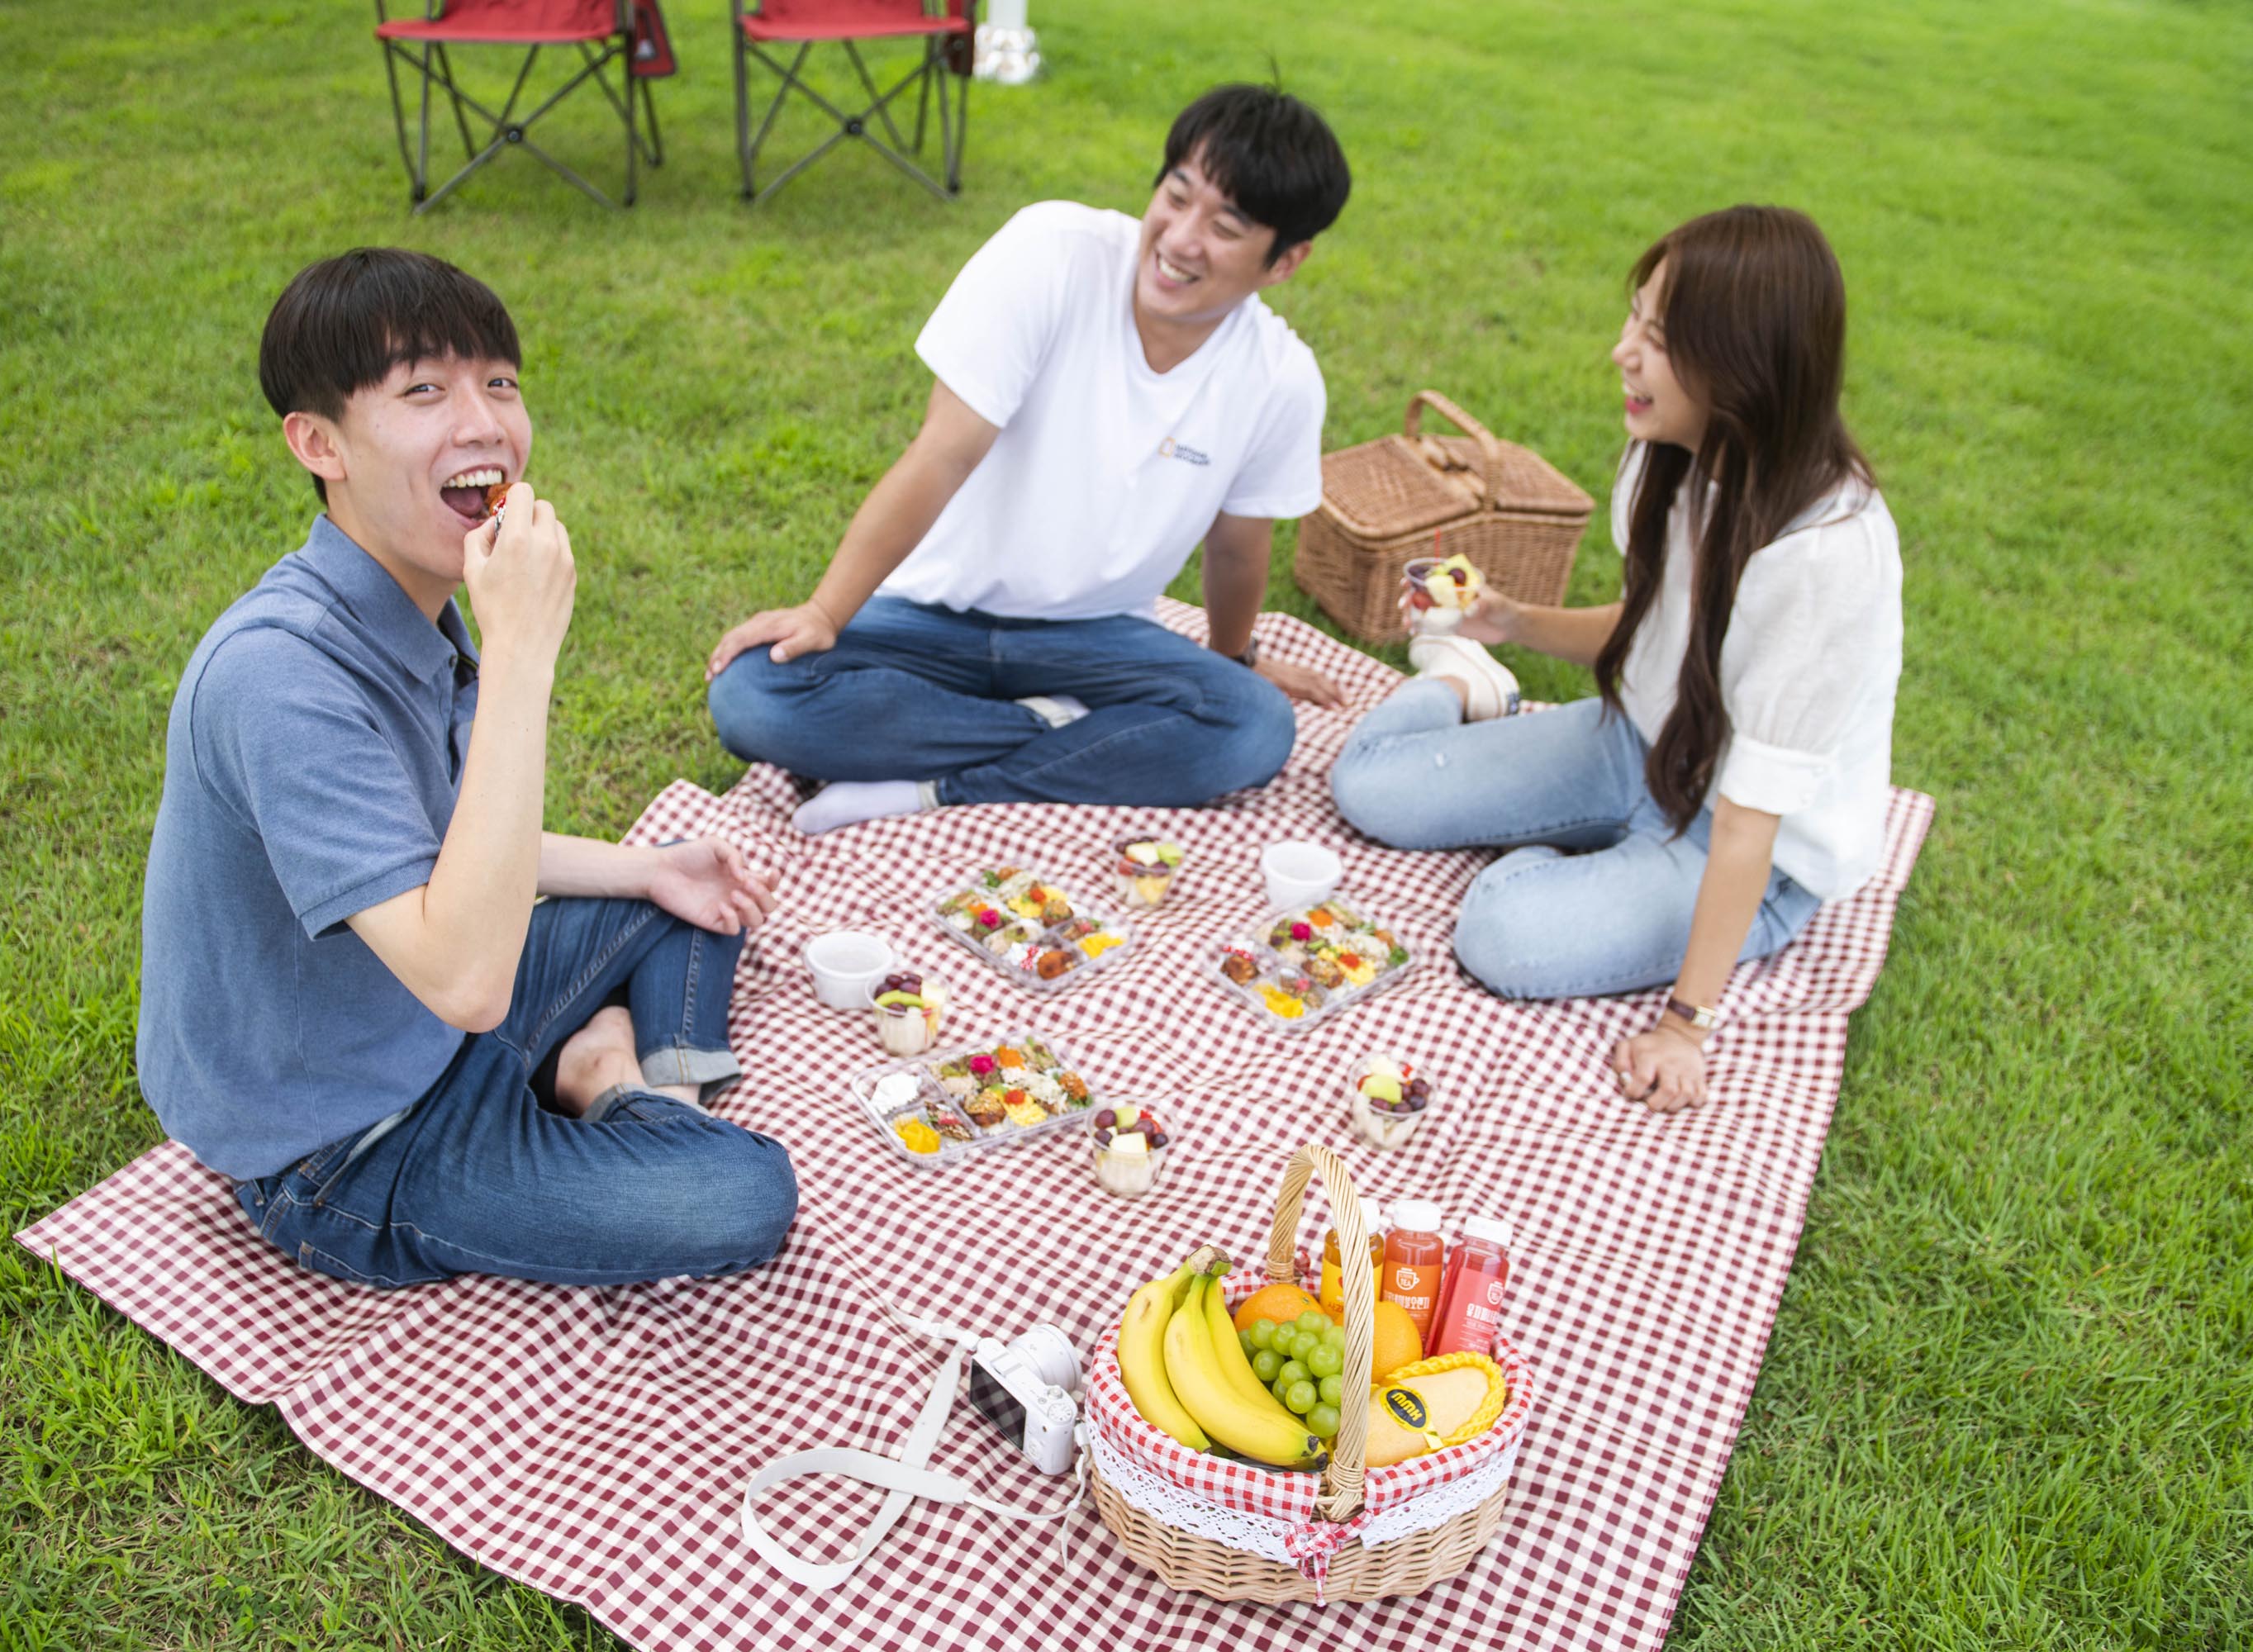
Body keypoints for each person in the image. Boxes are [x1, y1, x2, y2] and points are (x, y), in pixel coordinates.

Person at [136, 249, 796, 1289]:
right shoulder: (278, 677)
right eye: (424, 390)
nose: (485, 421)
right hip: (349, 1137)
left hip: (425, 1011)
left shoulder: (418, 603)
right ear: (318, 442)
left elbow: (443, 843)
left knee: (687, 890)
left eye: (499, 381)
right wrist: (523, 653)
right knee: (743, 1191)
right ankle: (619, 1085)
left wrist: (648, 868)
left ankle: (602, 1072)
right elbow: (470, 982)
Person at [1330, 206, 1903, 1113]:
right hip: (1635, 744)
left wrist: (1685, 1026)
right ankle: (1477, 695)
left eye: (1658, 339)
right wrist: (1511, 623)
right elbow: (1654, 631)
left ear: (1744, 365)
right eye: (1635, 319)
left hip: (1741, 846)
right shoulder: (1670, 457)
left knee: (1502, 934)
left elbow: (1749, 824)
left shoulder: (1824, 558)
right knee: (1369, 787)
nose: (1621, 353)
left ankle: (1578, 857)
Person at [706, 83, 1352, 834]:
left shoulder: (1279, 378)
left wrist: (1234, 661)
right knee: (752, 696)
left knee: (1252, 726)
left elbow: (1239, 548)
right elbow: (941, 456)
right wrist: (823, 613)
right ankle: (1064, 729)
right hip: (929, 617)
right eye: (1176, 197)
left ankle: (934, 789)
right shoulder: (1052, 253)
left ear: (1285, 261)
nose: (1180, 240)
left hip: (1096, 638)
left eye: (1225, 227)